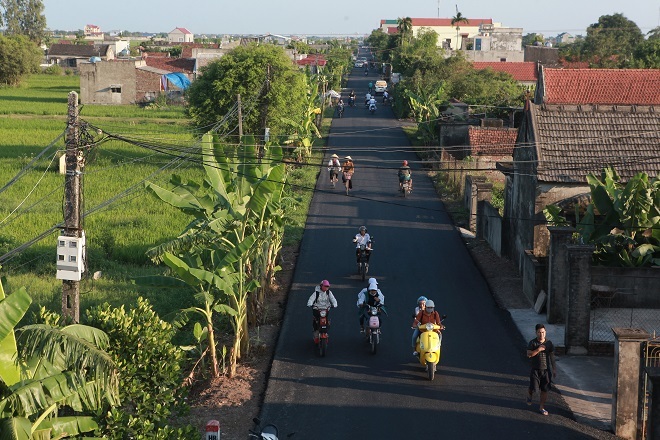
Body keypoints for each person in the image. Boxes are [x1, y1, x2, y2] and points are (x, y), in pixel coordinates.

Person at [526, 323, 557, 416]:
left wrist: (554, 369)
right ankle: (529, 393)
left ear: (545, 332)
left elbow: (552, 356)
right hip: (535, 370)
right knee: (534, 388)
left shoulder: (549, 343)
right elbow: (529, 354)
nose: (541, 334)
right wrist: (538, 350)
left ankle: (542, 407)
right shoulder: (532, 343)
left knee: (545, 389)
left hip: (546, 370)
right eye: (539, 332)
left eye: (543, 332)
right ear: (536, 333)